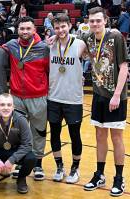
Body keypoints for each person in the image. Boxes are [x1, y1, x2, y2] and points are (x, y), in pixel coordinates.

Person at [82, 7, 128, 197]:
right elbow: (73, 42)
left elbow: (123, 67)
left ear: (105, 21)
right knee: (100, 136)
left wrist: (117, 94)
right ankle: (99, 174)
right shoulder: (88, 38)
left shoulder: (116, 37)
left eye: (98, 21)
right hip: (98, 95)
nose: (95, 24)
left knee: (116, 138)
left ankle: (119, 178)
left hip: (116, 96)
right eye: (92, 21)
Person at [1, 16, 49, 180]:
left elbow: (50, 71)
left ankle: (38, 164)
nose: (25, 31)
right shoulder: (11, 45)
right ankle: (20, 162)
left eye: (28, 28)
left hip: (38, 96)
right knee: (18, 133)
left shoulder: (44, 48)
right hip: (16, 97)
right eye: (22, 29)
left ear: (34, 30)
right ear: (17, 31)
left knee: (38, 132)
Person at [48, 13, 87, 184]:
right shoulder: (50, 44)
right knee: (54, 134)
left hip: (73, 99)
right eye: (57, 27)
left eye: (63, 26)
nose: (60, 30)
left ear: (70, 25)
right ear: (53, 28)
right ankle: (59, 167)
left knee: (74, 135)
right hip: (54, 97)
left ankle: (75, 168)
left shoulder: (80, 43)